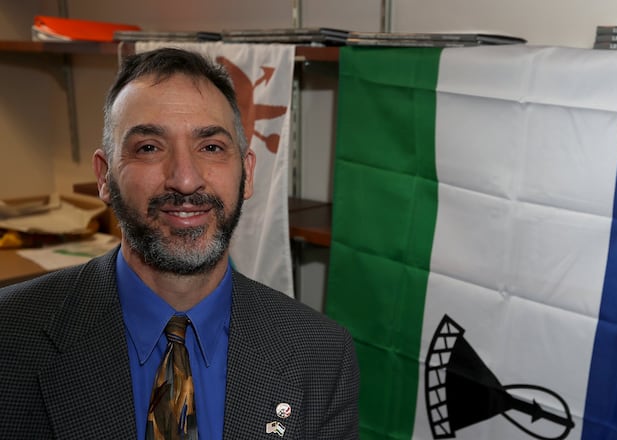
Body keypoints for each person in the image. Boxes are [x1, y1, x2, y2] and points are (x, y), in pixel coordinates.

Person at [0, 47, 359, 439]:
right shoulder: (10, 337)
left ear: (247, 173)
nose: (185, 180)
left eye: (211, 147)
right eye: (149, 147)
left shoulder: (321, 354)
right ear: (104, 177)